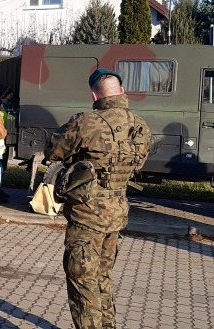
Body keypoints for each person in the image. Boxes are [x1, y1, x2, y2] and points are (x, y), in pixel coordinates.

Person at [44, 69, 151, 329]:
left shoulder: (87, 122)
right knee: (102, 276)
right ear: (122, 92)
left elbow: (53, 150)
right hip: (117, 214)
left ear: (94, 94)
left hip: (87, 214)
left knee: (82, 280)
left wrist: (71, 125)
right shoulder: (140, 126)